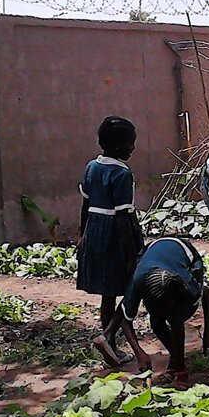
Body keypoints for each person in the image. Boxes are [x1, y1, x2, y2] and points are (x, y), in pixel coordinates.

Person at [93, 236, 209, 386]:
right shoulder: (138, 281)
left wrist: (208, 333)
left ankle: (180, 367)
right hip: (151, 250)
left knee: (175, 317)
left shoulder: (187, 285)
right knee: (156, 319)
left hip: (183, 250)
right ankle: (176, 360)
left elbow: (206, 293)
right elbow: (126, 321)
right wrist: (139, 352)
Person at [77, 117, 144, 359]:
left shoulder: (91, 167)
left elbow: (86, 204)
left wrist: (82, 234)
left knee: (108, 291)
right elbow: (122, 216)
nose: (132, 149)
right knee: (133, 287)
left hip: (95, 230)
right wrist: (131, 254)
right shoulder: (122, 173)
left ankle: (111, 348)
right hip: (116, 235)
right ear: (117, 146)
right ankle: (108, 334)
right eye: (130, 144)